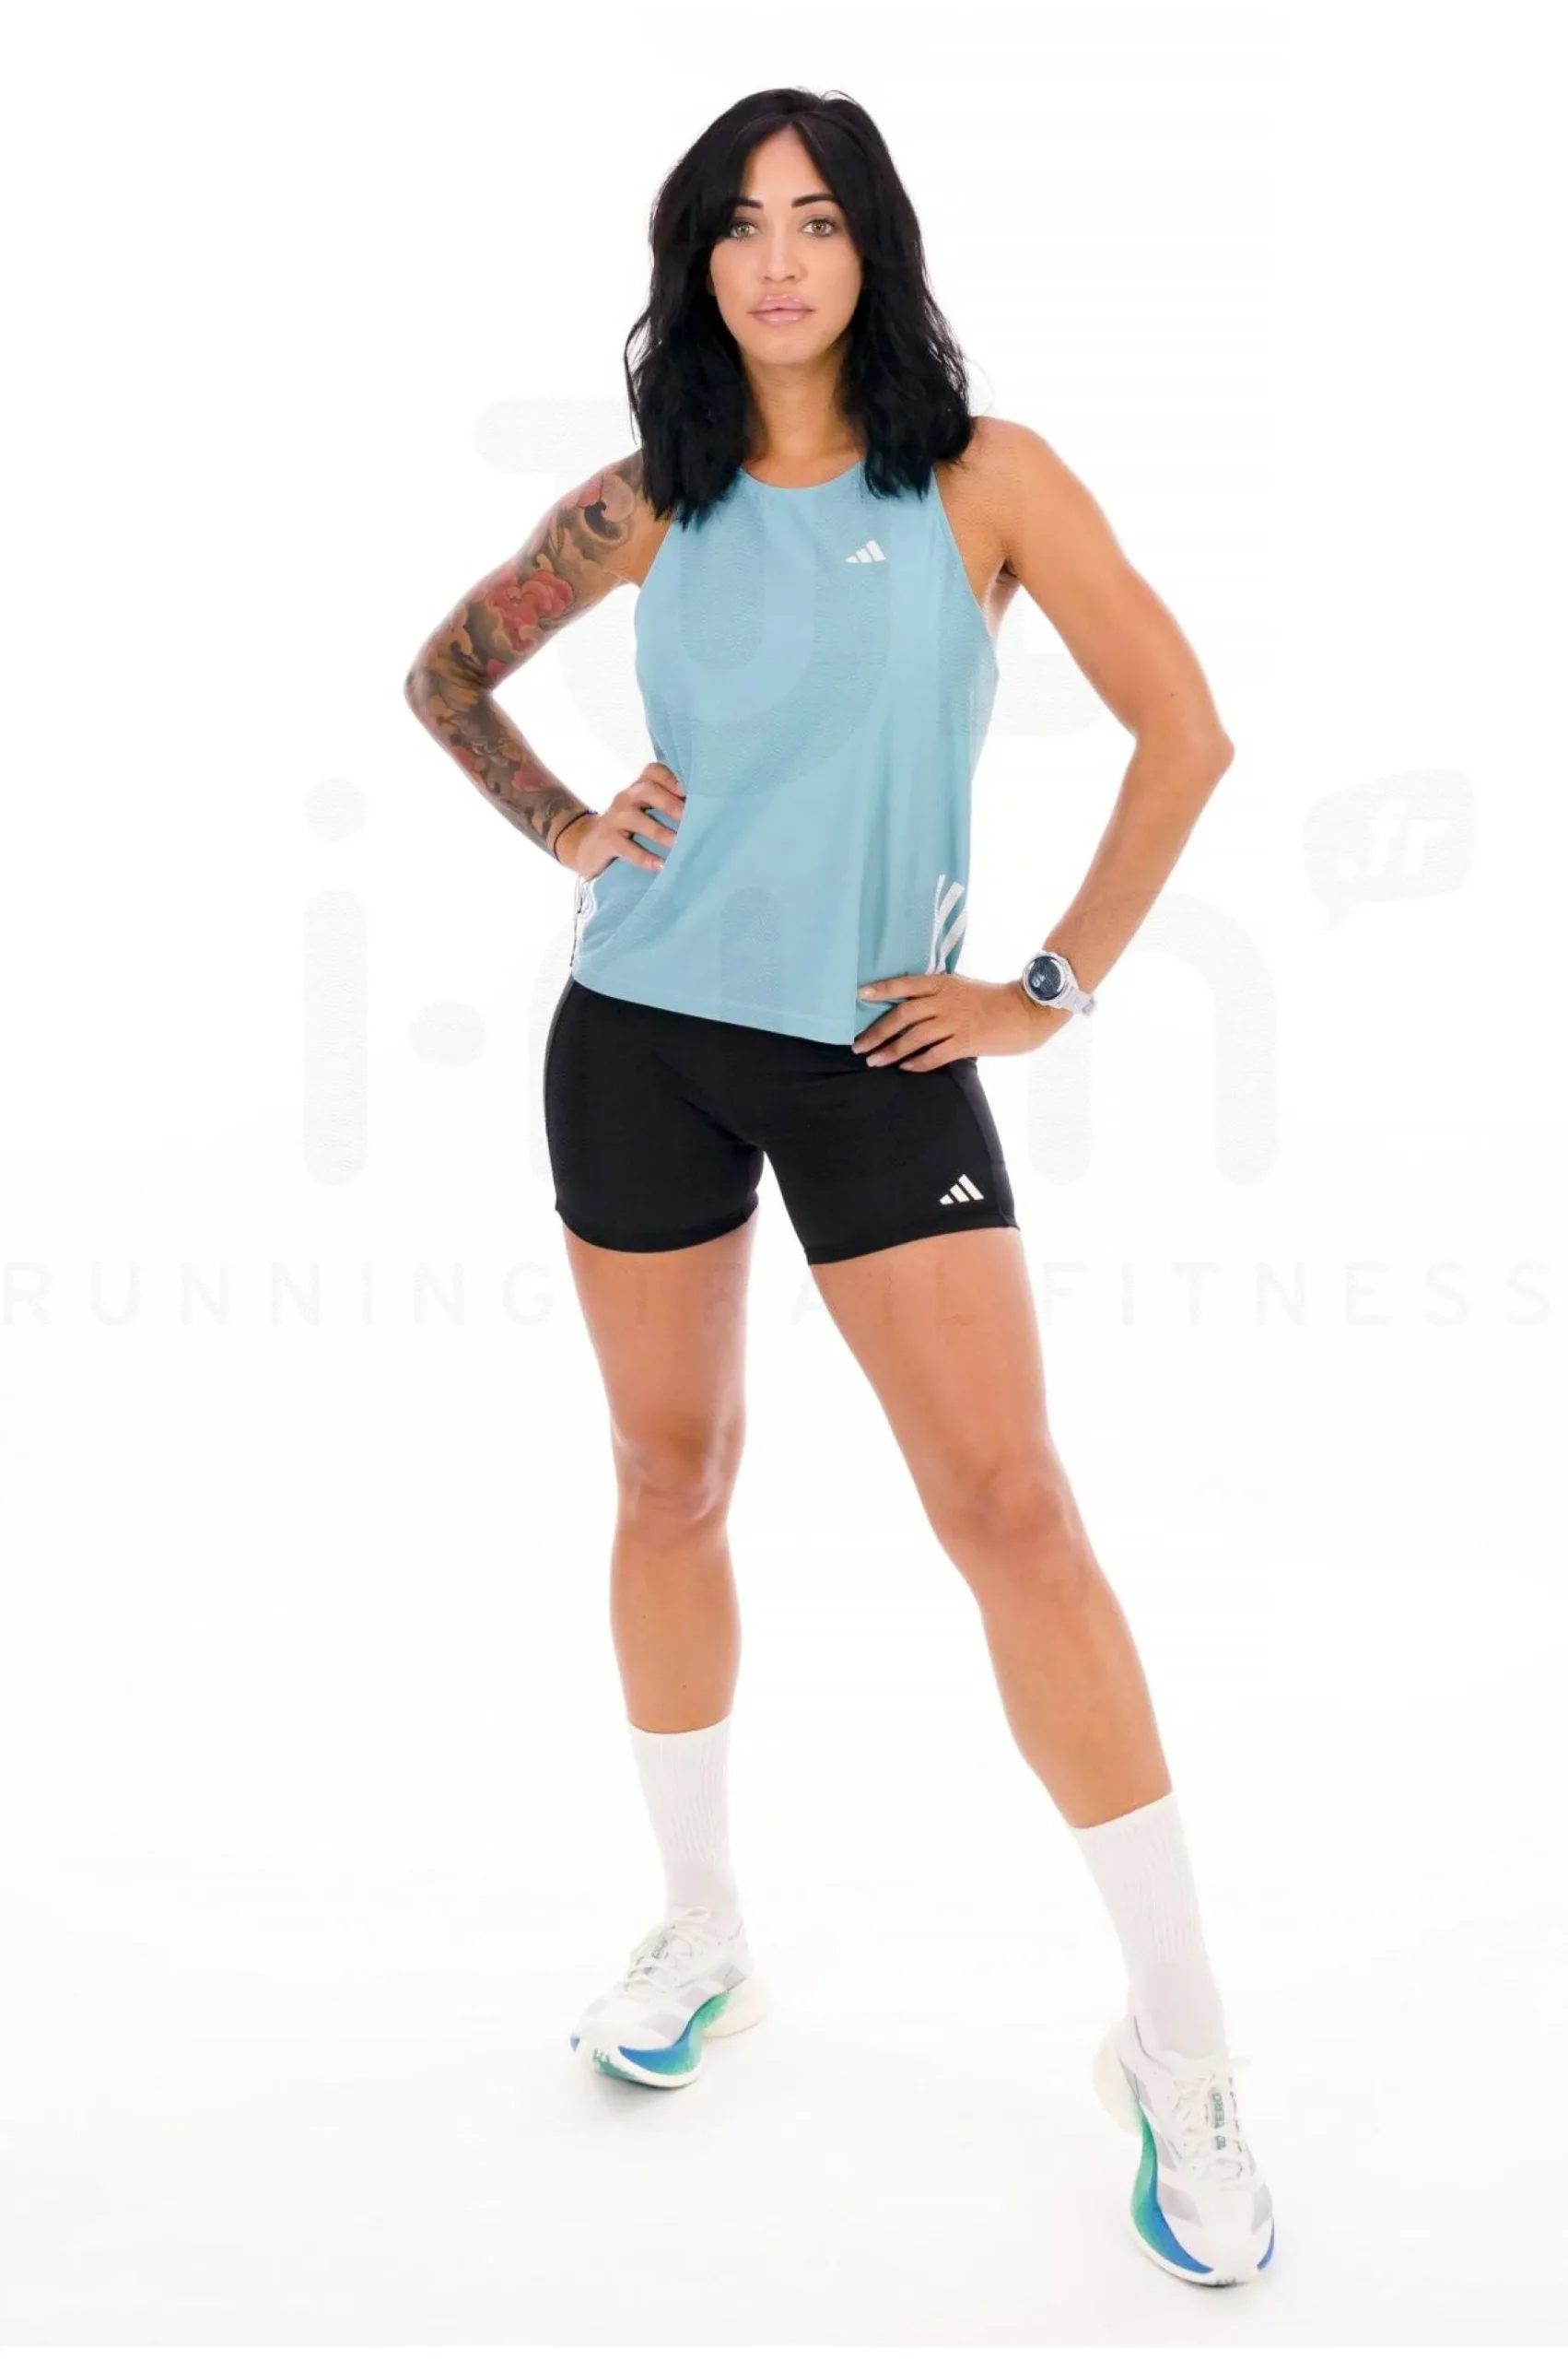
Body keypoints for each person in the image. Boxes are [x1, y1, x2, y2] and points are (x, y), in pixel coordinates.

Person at [404, 86, 1274, 2290]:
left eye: (812, 218)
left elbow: (1184, 730)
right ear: (693, 261)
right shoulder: (645, 497)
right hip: (639, 1039)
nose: (775, 259)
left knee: (1014, 1513)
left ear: (870, 245)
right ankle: (700, 1925)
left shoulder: (982, 478)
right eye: (736, 223)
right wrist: (571, 824)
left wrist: (1043, 990)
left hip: (883, 1053)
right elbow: (447, 670)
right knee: (666, 1474)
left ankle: (1177, 2046)